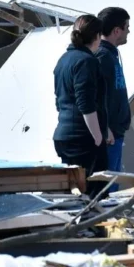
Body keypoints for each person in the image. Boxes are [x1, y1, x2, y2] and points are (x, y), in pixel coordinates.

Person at [53, 15, 109, 197]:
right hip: (83, 139)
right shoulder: (86, 61)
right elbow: (86, 103)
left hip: (65, 135)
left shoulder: (64, 59)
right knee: (93, 194)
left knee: (72, 193)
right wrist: (98, 136)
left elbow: (59, 100)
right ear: (97, 36)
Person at [96, 7, 131, 193]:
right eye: (127, 27)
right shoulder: (102, 57)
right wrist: (105, 126)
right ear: (117, 31)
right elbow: (93, 96)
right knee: (107, 189)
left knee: (113, 186)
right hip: (108, 137)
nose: (129, 32)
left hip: (116, 135)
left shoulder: (111, 55)